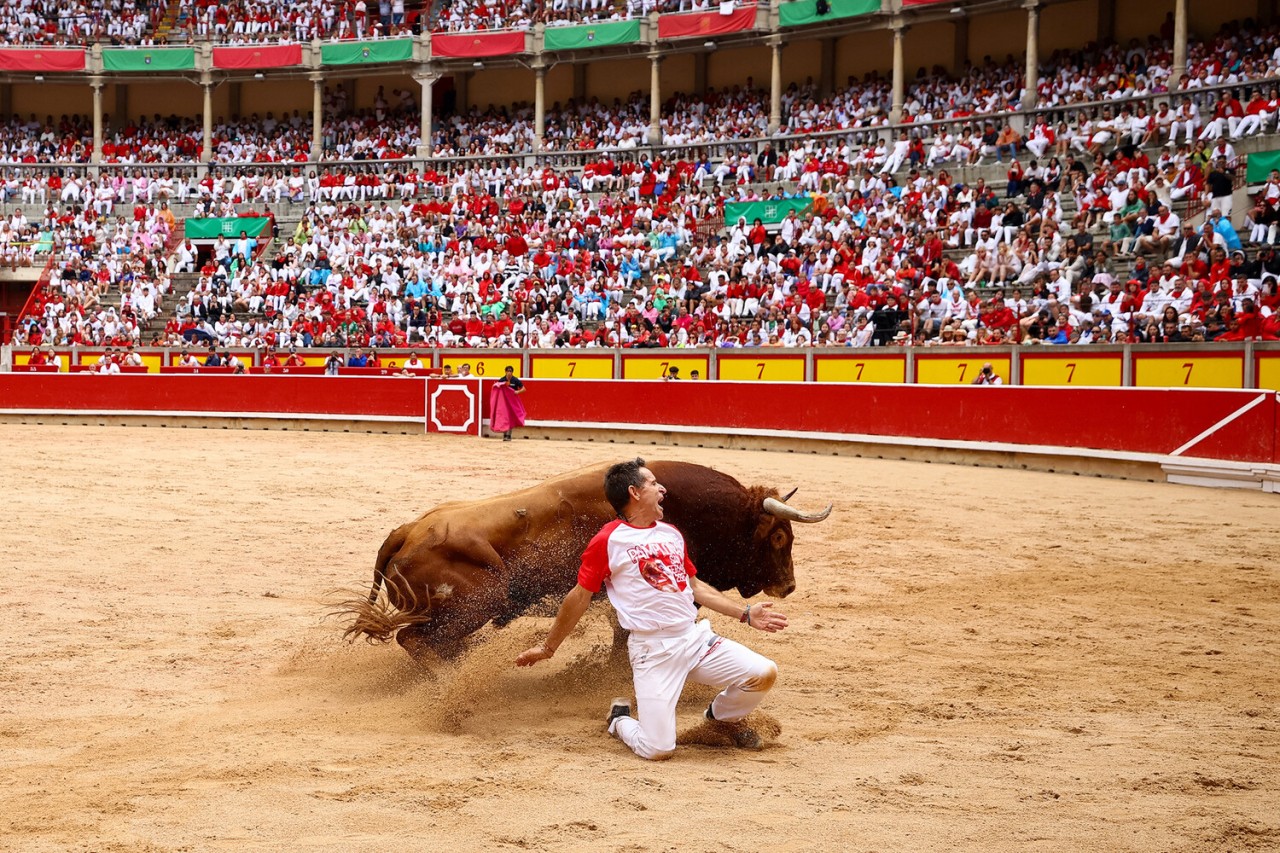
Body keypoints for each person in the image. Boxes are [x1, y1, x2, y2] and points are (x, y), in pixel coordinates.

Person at [516, 459, 786, 760]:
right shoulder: (608, 540)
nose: (662, 489)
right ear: (634, 492)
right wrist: (548, 647)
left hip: (694, 639)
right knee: (658, 749)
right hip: (652, 651)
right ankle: (619, 720)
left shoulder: (671, 534)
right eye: (654, 484)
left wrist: (745, 614)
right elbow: (580, 596)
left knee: (763, 672)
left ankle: (720, 719)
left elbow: (695, 587)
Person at [490, 365, 526, 441]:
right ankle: (505, 435)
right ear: (505, 372)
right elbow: (497, 387)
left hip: (512, 402)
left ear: (512, 372)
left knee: (510, 418)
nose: (509, 372)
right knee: (505, 417)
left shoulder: (515, 380)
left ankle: (508, 435)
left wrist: (517, 392)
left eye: (510, 371)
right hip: (504, 402)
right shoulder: (502, 380)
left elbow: (524, 389)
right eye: (508, 371)